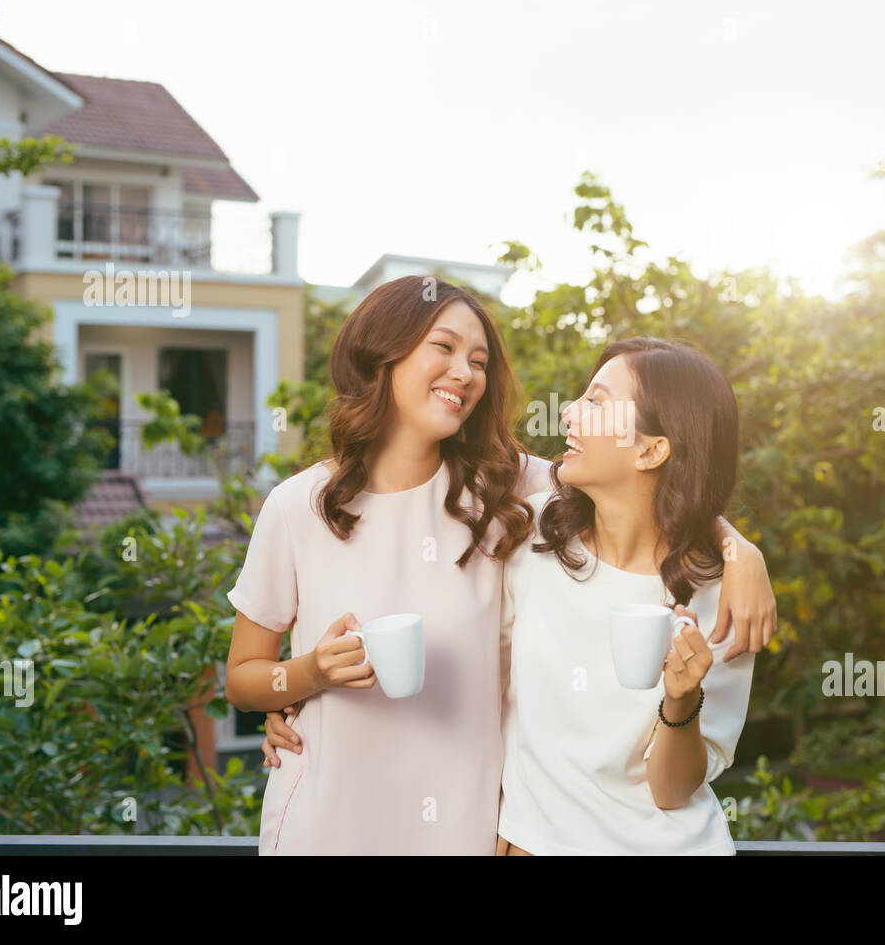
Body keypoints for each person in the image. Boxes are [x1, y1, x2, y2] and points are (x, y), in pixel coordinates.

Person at [230, 276, 776, 854]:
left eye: (479, 360)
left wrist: (740, 552)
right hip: (327, 816)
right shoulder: (298, 505)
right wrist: (306, 677)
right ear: (382, 353)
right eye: (443, 348)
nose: (464, 372)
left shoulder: (504, 492)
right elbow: (245, 680)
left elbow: (655, 489)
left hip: (460, 826)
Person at [496, 337, 753, 855]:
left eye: (595, 401)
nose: (567, 412)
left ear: (652, 449)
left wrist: (682, 700)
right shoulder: (531, 535)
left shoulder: (724, 595)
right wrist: (295, 687)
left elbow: (672, 790)